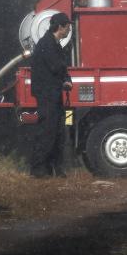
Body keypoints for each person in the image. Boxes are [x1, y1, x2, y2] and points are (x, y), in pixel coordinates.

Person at [29, 12, 73, 178]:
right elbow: (57, 67)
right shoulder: (47, 44)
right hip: (47, 94)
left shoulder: (54, 44)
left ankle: (52, 168)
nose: (69, 31)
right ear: (60, 27)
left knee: (56, 132)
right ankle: (38, 169)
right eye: (67, 27)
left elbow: (60, 69)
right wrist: (65, 76)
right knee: (47, 131)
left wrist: (66, 79)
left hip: (53, 93)